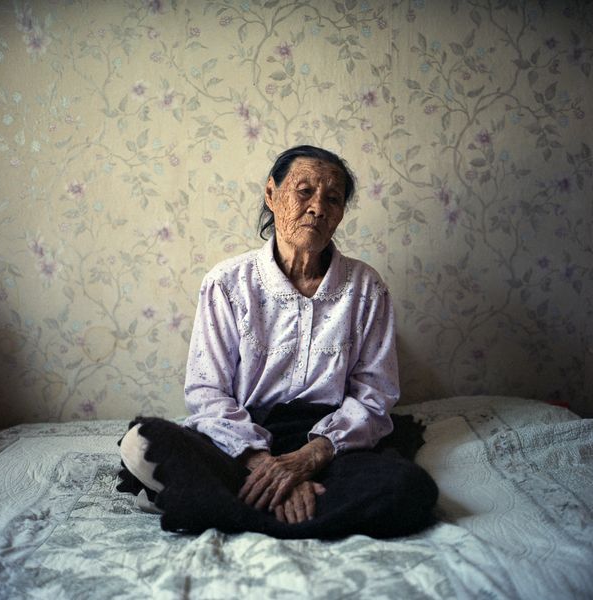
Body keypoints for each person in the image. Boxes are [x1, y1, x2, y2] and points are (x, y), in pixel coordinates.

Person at [118, 145, 438, 539]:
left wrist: (307, 461)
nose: (318, 208)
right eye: (304, 192)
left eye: (333, 199)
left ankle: (223, 506)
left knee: (410, 489)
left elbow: (374, 397)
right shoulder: (227, 283)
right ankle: (297, 506)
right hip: (242, 438)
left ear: (340, 213)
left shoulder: (366, 288)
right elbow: (207, 393)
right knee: (140, 443)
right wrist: (264, 463)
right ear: (272, 194)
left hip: (327, 442)